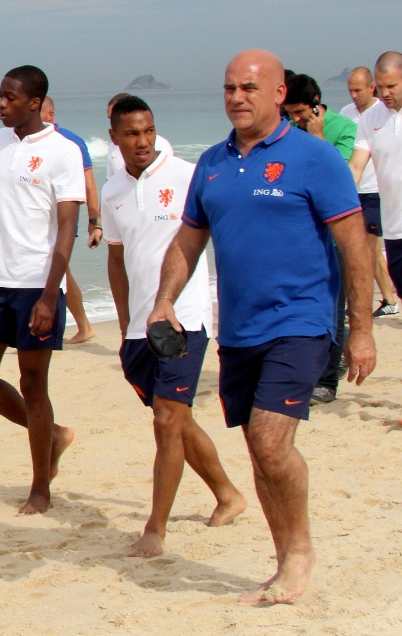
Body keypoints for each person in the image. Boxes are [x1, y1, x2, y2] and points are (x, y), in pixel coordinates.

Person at [148, 50, 375, 604]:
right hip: (239, 330)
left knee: (272, 443)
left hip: (301, 321)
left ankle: (300, 552)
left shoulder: (314, 158)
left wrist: (362, 330)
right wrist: (163, 301)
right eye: (229, 88)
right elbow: (188, 240)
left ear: (278, 94)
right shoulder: (212, 163)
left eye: (249, 87)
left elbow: (353, 245)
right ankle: (282, 559)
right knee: (257, 450)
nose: (237, 98)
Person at [103, 96, 246, 558]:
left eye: (148, 130)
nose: (142, 141)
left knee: (167, 419)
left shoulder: (187, 175)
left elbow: (225, 233)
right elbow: (118, 260)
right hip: (139, 327)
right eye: (131, 134)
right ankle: (228, 494)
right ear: (114, 138)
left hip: (185, 318)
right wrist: (124, 324)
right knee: (177, 419)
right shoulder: (112, 190)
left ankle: (155, 528)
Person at [0, 65, 83, 515]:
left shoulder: (63, 151)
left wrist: (51, 294)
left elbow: (67, 227)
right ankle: (54, 435)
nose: (1, 104)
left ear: (34, 103)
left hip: (36, 285)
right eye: (0, 95)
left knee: (33, 386)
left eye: (10, 98)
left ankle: (40, 488)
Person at [283, 73, 358, 405]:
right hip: (301, 235)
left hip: (335, 234)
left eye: (300, 113)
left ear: (316, 105)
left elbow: (340, 178)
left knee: (334, 308)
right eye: (291, 114)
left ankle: (327, 381)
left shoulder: (344, 128)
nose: (296, 120)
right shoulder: (289, 133)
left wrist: (317, 136)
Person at [349, 52, 402, 331]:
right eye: (380, 87)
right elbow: (356, 166)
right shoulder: (371, 118)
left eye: (391, 86)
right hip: (393, 227)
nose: (385, 93)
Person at [41, 96, 99, 344]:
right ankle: (82, 325)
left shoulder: (70, 141)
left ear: (50, 115)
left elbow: (89, 183)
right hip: (39, 217)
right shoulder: (26, 140)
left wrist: (94, 219)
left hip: (64, 215)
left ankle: (80, 325)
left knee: (59, 267)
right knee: (58, 269)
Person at [105, 93, 173, 182]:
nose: (113, 121)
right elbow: (110, 179)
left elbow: (169, 173)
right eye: (110, 118)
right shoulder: (112, 147)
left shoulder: (160, 143)